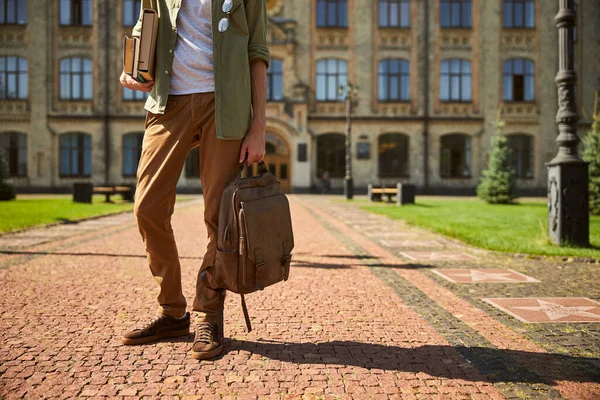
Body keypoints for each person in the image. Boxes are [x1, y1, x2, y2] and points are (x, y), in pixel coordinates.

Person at [118, 0, 270, 361]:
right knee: (147, 208)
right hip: (167, 102)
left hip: (226, 104)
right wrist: (132, 69)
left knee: (219, 217)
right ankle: (172, 312)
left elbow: (257, 50)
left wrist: (259, 125)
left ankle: (208, 313)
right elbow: (146, 25)